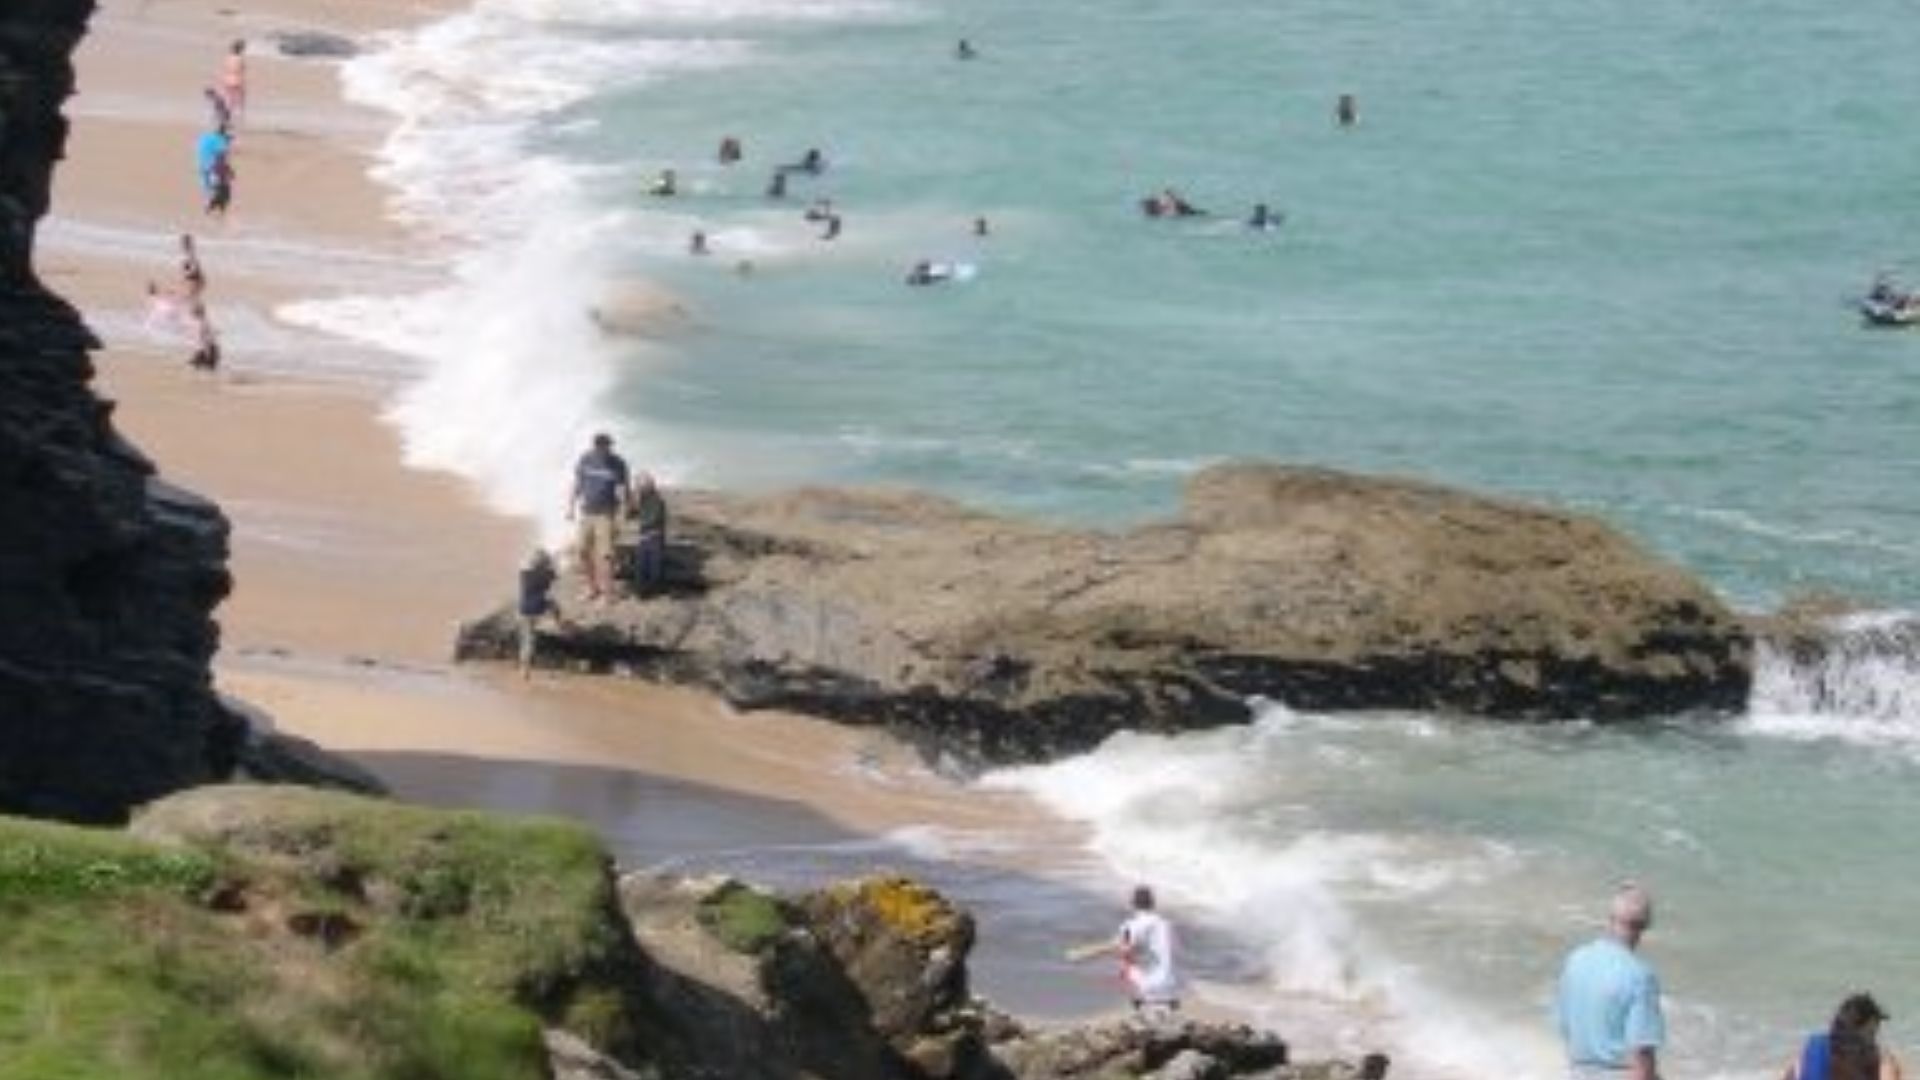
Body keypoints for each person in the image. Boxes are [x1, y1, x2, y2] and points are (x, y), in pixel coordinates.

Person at [1555, 882, 1665, 1080]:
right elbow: (1641, 1057)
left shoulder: (1575, 960)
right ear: (1644, 926)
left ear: (1610, 919)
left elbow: (1564, 1027)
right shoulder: (1640, 977)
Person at [1069, 885, 1180, 1017]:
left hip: (1148, 984)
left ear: (1132, 904)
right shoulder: (1166, 924)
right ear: (1153, 903)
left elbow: (1121, 948)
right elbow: (1172, 950)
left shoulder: (1132, 925)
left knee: (1112, 968)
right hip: (1170, 982)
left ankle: (1142, 1007)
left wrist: (1085, 953)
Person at [565, 432, 633, 603]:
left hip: (606, 514)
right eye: (600, 446)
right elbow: (577, 484)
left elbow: (623, 489)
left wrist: (624, 510)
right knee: (582, 551)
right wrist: (570, 507)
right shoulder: (586, 459)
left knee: (606, 555)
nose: (604, 449)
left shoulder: (618, 463)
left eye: (607, 446)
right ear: (595, 445)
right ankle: (592, 588)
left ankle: (608, 594)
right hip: (587, 512)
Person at [1783, 994, 1904, 1080]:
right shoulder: (1870, 1055)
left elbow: (1792, 1074)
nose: (1874, 1039)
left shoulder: (1814, 1046)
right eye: (1872, 1032)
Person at [516, 548, 561, 678]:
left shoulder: (524, 574)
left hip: (524, 609)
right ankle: (559, 624)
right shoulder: (547, 575)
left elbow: (524, 566)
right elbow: (555, 575)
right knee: (554, 605)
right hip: (540, 608)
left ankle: (525, 669)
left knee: (527, 641)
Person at [630, 473, 669, 596]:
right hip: (644, 538)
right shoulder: (641, 499)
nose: (639, 488)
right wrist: (634, 501)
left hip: (654, 537)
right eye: (638, 485)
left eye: (641, 485)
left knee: (655, 569)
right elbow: (631, 514)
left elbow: (653, 519)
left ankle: (654, 589)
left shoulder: (657, 500)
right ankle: (642, 591)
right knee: (641, 567)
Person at [220, 39, 247, 125]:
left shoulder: (227, 58)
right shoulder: (240, 59)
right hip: (237, 80)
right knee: (239, 102)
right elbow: (241, 70)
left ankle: (227, 119)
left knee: (229, 101)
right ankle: (237, 120)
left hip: (227, 80)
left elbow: (225, 69)